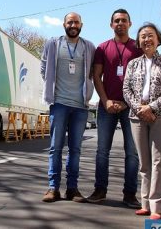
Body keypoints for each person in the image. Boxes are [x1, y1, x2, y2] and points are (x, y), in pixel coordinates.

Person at [87, 9, 142, 208]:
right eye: (116, 21)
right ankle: (100, 190)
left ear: (130, 23)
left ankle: (130, 194)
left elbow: (143, 79)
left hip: (131, 107)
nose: (120, 23)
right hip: (106, 107)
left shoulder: (138, 48)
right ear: (111, 24)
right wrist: (106, 100)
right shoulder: (102, 48)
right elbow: (96, 76)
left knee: (132, 153)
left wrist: (129, 102)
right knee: (102, 151)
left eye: (124, 20)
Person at [123, 22, 161, 220]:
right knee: (144, 164)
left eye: (150, 35)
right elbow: (126, 90)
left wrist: (151, 107)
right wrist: (139, 108)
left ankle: (157, 207)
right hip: (137, 117)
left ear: (158, 39)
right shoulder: (133, 64)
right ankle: (145, 203)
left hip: (160, 117)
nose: (147, 39)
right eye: (143, 36)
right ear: (138, 41)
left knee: (159, 163)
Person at [40, 12, 96, 203]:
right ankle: (53, 188)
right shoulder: (53, 44)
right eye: (70, 22)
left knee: (75, 149)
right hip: (59, 104)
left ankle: (72, 189)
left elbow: (94, 73)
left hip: (80, 106)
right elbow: (43, 68)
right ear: (64, 24)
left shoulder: (89, 47)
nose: (73, 25)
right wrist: (51, 88)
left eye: (76, 22)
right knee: (55, 148)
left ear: (82, 24)